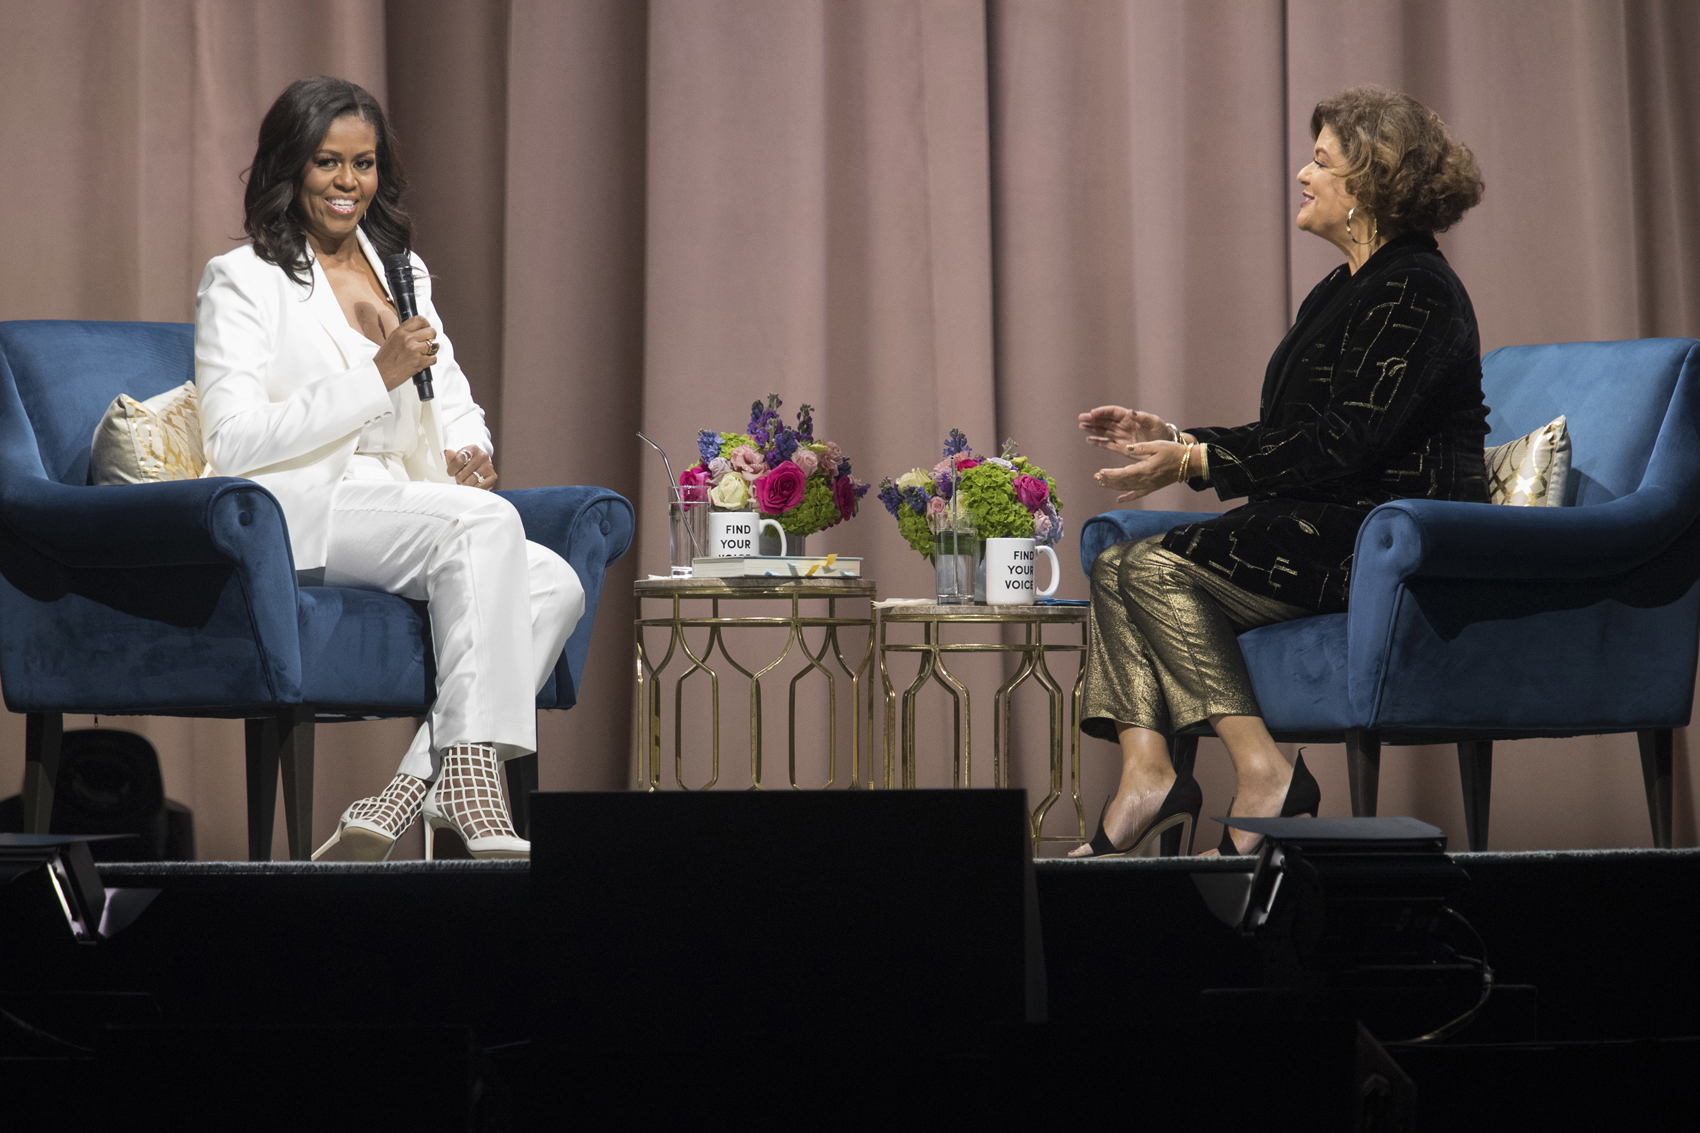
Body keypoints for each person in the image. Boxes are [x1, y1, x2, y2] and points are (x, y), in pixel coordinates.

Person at [1072, 86, 1487, 858]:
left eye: (1321, 161)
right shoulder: (1341, 289)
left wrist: (1198, 462)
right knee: (1117, 564)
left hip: (1386, 535)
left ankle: (1264, 774)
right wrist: (1176, 436)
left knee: (1154, 570)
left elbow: (1351, 439)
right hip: (1322, 520)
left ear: (1370, 181)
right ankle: (1146, 775)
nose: (1303, 172)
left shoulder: (1419, 289)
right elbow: (1292, 434)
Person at [195, 76, 583, 861]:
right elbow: (232, 439)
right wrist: (375, 376)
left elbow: (454, 396)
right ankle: (472, 783)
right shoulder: (243, 280)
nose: (348, 183)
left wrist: (469, 454)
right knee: (485, 529)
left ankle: (408, 787)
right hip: (306, 505)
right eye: (327, 163)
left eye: (364, 164)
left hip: (405, 497)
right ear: (289, 166)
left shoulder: (402, 270)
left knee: (557, 583)